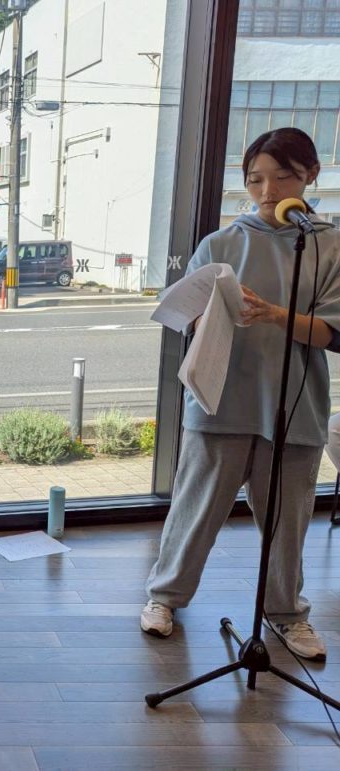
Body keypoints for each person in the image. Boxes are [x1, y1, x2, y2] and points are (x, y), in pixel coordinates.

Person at [141, 128, 340, 661]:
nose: (268, 192)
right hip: (220, 400)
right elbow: (186, 317)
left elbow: (334, 332)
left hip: (294, 404)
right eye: (255, 180)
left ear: (311, 175)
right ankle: (164, 597)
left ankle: (287, 614)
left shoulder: (329, 245)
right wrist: (204, 317)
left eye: (283, 177)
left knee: (288, 523)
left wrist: (274, 315)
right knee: (196, 508)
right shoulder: (221, 244)